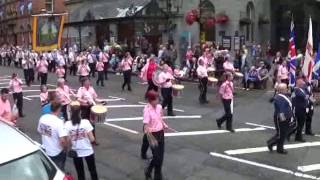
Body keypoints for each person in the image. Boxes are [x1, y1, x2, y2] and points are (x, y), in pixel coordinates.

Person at [65, 105, 98, 180]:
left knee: (80, 173)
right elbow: (92, 139)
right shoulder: (86, 122)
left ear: (71, 113)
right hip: (88, 150)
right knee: (92, 170)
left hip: (76, 151)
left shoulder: (67, 124)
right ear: (80, 112)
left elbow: (68, 140)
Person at [143, 90, 168, 180]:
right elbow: (145, 124)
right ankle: (156, 176)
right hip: (152, 135)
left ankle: (149, 171)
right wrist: (147, 133)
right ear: (151, 100)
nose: (158, 101)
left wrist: (164, 125)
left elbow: (160, 118)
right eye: (157, 99)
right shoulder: (147, 110)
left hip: (160, 133)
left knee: (160, 158)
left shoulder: (159, 107)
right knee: (157, 157)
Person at [37, 101, 68, 170]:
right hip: (57, 151)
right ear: (59, 109)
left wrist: (48, 134)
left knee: (48, 170)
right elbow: (62, 141)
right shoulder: (59, 122)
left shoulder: (43, 118)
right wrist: (65, 148)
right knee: (59, 170)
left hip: (45, 149)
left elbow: (39, 130)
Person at [267, 83, 292, 154]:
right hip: (281, 118)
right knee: (281, 134)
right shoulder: (280, 98)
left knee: (283, 133)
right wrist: (283, 120)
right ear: (282, 90)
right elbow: (281, 110)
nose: (287, 89)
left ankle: (278, 147)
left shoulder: (283, 95)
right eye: (286, 88)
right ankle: (271, 143)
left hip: (286, 117)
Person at [77, 78, 99, 145]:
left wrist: (101, 101)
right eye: (86, 81)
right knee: (84, 124)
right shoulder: (81, 89)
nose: (88, 82)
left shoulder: (91, 89)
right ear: (83, 83)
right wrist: (85, 101)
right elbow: (78, 98)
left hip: (91, 108)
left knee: (92, 124)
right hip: (84, 107)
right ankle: (84, 140)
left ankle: (93, 140)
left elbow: (95, 98)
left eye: (89, 81)